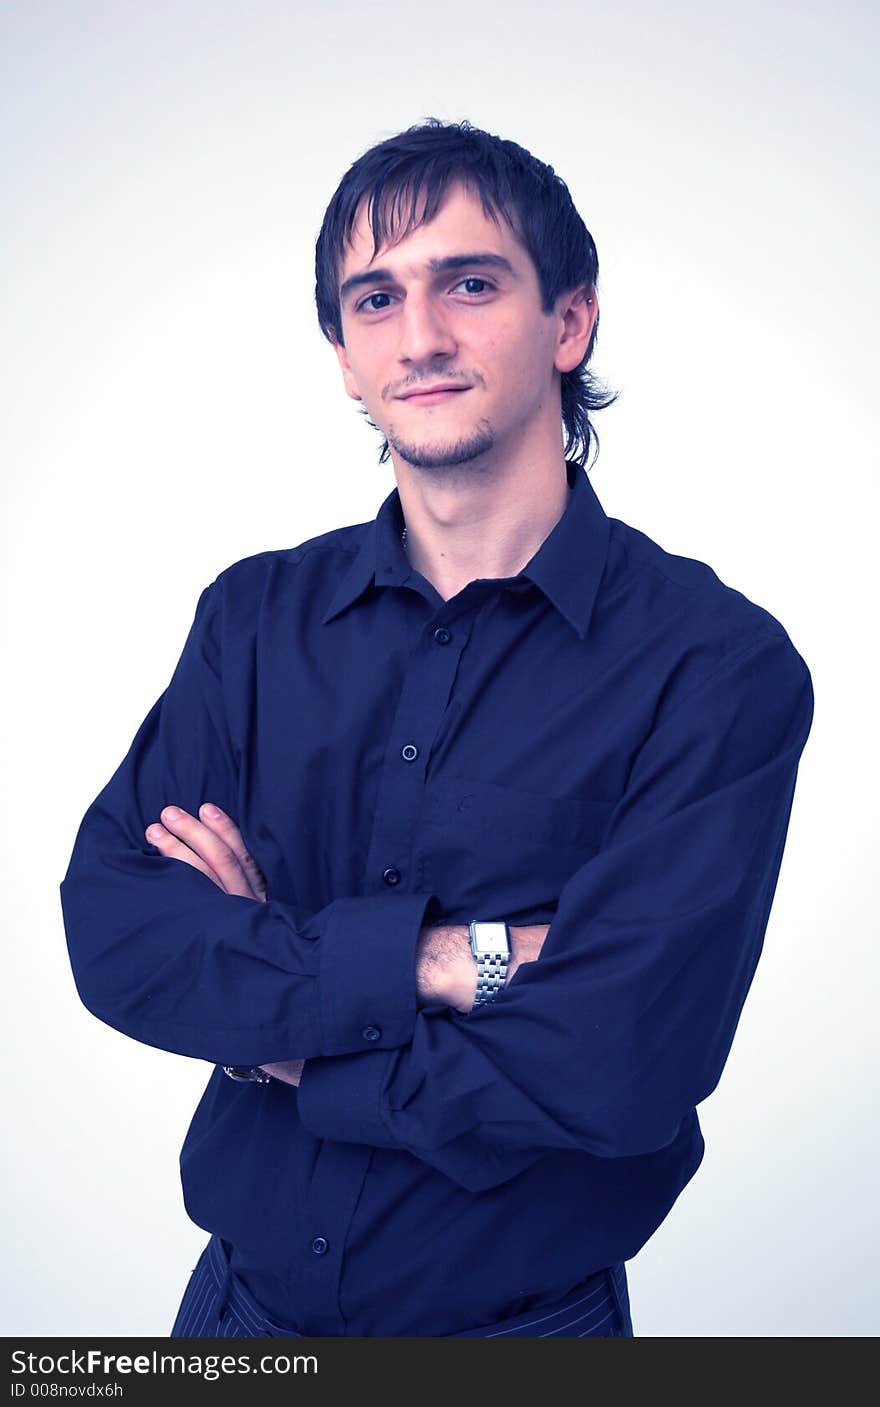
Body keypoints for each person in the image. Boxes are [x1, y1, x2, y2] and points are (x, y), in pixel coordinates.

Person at [59, 118, 814, 1339]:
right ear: (346, 362)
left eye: (469, 283)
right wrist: (450, 961)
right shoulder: (252, 621)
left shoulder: (713, 666)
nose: (420, 337)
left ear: (568, 323)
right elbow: (123, 937)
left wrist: (277, 1034)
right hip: (231, 1323)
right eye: (375, 299)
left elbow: (622, 1064)